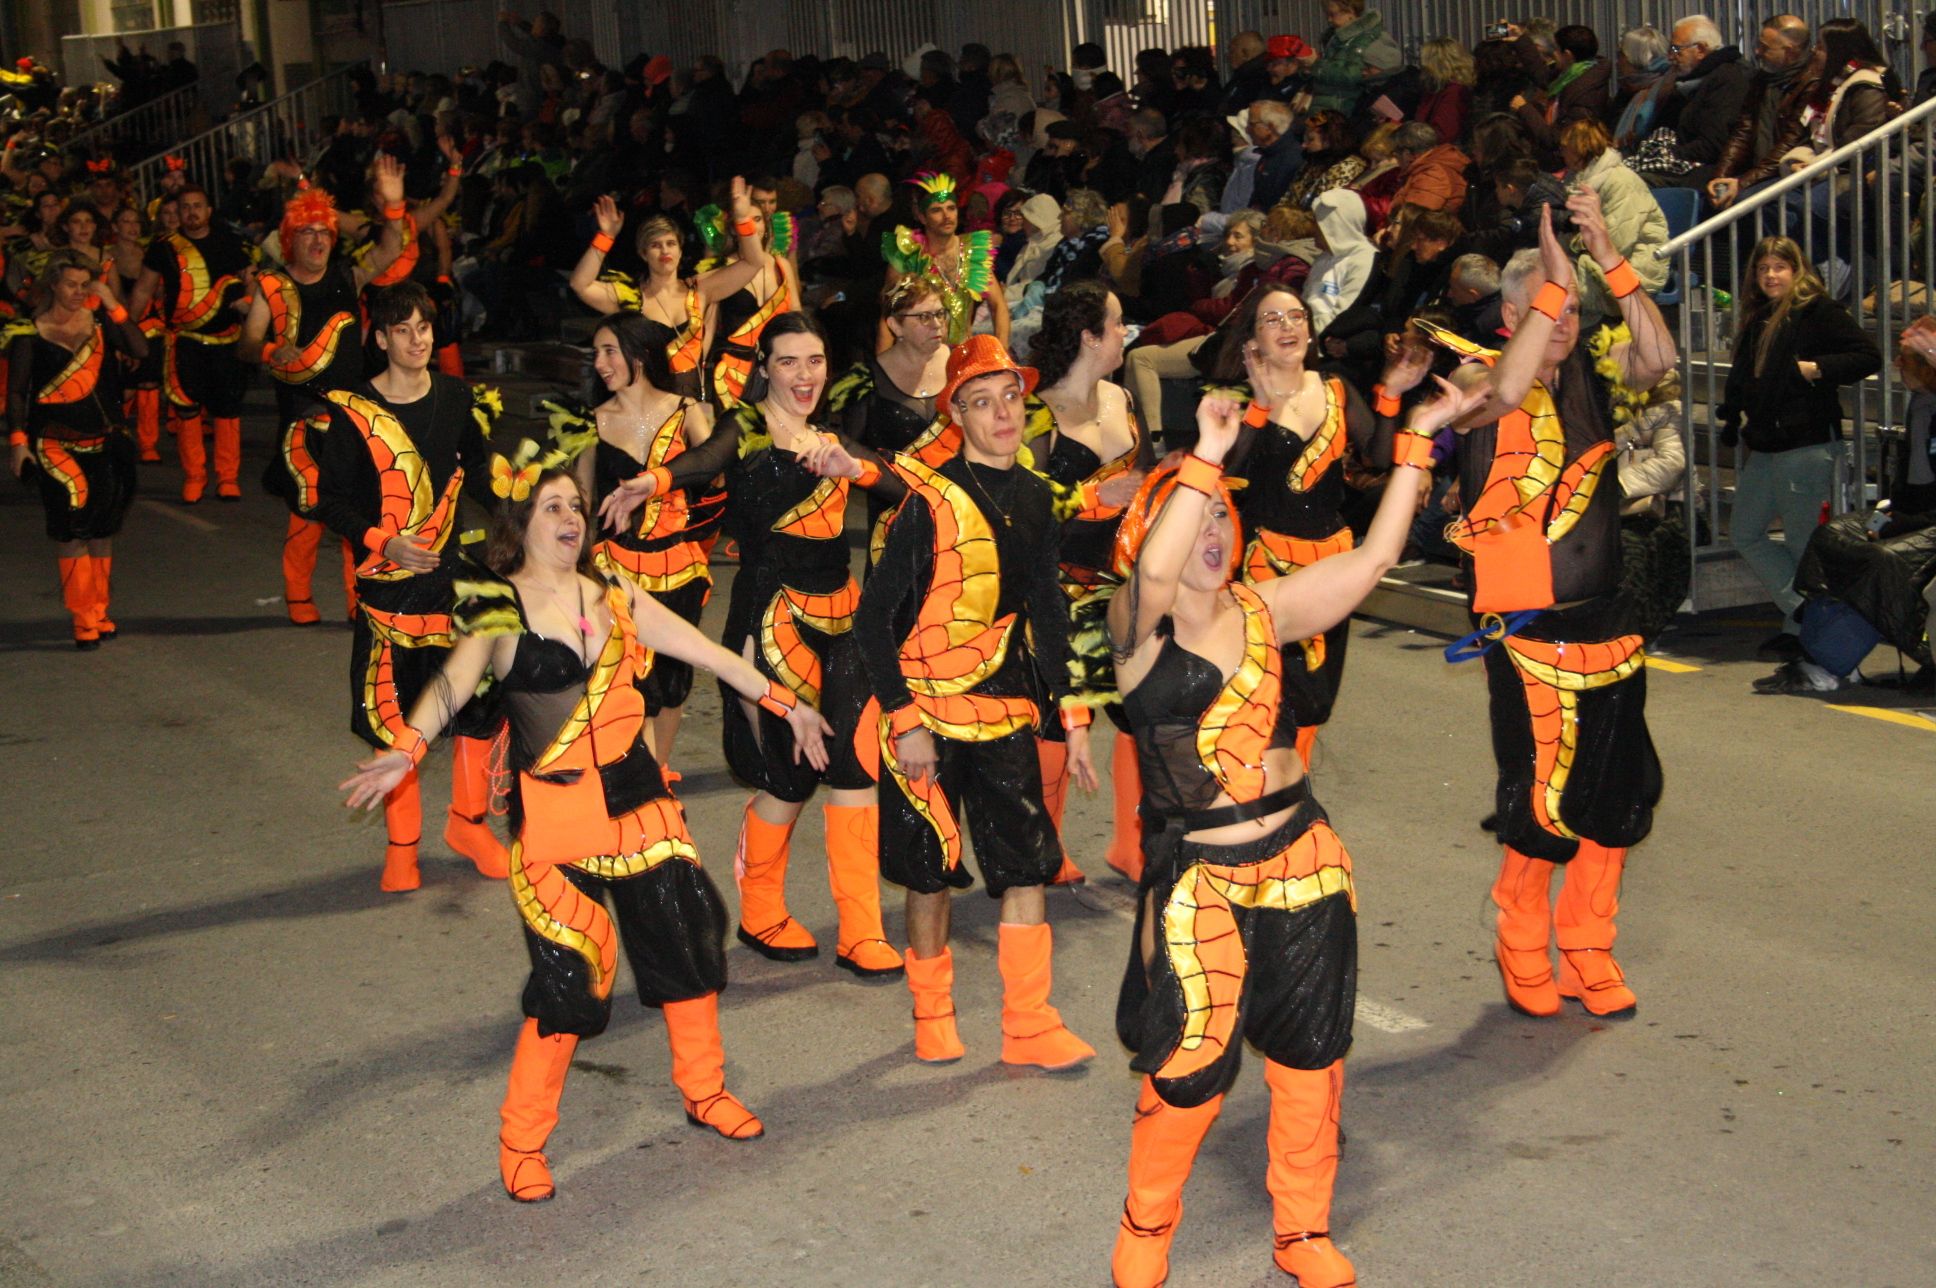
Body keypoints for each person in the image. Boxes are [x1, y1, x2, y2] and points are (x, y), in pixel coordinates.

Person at [339, 467, 825, 1201]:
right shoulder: (497, 607)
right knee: (570, 979)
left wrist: (789, 704)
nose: (570, 516)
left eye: (576, 505)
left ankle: (705, 1090)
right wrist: (404, 753)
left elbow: (710, 653)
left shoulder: (616, 594)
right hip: (556, 815)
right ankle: (522, 1141)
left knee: (686, 936)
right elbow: (452, 682)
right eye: (552, 506)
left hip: (638, 801)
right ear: (520, 523)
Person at [1105, 376, 1479, 1288]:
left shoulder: (1267, 610)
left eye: (1223, 524)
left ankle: (1301, 1231)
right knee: (1191, 1065)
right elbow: (1154, 574)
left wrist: (1417, 438)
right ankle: (1146, 1228)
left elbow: (1380, 552)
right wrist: (1205, 453)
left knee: (1314, 1055)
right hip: (1203, 879)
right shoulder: (1135, 628)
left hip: (1305, 861)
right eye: (1195, 524)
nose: (1213, 537)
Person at [1425, 191, 1676, 1020]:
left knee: (1620, 793)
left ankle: (1589, 945)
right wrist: (1554, 285)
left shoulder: (1593, 377)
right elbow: (1504, 385)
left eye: (1569, 310)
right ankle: (1523, 942)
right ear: (1513, 310)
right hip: (1528, 635)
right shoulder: (1476, 379)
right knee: (1540, 800)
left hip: (1610, 623)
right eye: (1547, 307)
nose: (1563, 321)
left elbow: (1659, 360)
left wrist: (1608, 257)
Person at [599, 312, 908, 980]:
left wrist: (853, 466)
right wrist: (651, 483)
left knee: (857, 767)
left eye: (816, 360)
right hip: (773, 618)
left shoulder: (835, 437)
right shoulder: (744, 429)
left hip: (846, 622)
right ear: (764, 366)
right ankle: (761, 905)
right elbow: (704, 459)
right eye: (790, 361)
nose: (805, 375)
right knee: (791, 773)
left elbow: (903, 488)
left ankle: (861, 928)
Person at [849, 334, 1098, 1068]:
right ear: (957, 414)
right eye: (981, 402)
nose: (1002, 414)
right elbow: (872, 620)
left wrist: (1074, 715)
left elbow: (1049, 610)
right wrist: (903, 719)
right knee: (930, 873)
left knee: (1026, 866)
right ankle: (933, 1012)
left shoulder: (1034, 496)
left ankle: (1029, 1024)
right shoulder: (929, 502)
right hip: (923, 716)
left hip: (1005, 709)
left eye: (1010, 398)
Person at [311, 281, 503, 893]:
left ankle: (469, 826)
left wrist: (520, 507)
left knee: (478, 708)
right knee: (396, 720)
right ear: (381, 338)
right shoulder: (351, 409)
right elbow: (330, 502)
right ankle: (402, 848)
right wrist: (382, 542)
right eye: (403, 330)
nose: (418, 340)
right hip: (388, 593)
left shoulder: (455, 395)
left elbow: (478, 471)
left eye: (424, 328)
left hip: (453, 583)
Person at [239, 157, 410, 627]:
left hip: (351, 417)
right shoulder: (272, 285)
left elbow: (390, 249)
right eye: (308, 231)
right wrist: (272, 350)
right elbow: (248, 344)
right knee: (309, 509)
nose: (317, 239)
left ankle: (360, 599)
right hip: (301, 415)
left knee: (356, 512)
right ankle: (298, 595)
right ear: (290, 238)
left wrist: (393, 203)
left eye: (324, 232)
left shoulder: (345, 277)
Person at [547, 313, 716, 777]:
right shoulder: (591, 422)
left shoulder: (686, 412)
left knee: (674, 680)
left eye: (609, 351)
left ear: (639, 353)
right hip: (616, 570)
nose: (600, 364)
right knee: (629, 678)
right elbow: (580, 502)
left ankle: (659, 771)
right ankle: (638, 775)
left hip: (680, 565)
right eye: (595, 354)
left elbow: (717, 478)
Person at [1025, 281, 1154, 886]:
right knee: (1058, 718)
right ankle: (1045, 847)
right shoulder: (1036, 411)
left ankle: (1131, 843)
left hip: (1125, 584)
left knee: (1135, 711)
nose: (1126, 332)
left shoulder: (1124, 398)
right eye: (1118, 322)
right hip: (1059, 586)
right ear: (1088, 335)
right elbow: (1021, 511)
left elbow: (1148, 481)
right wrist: (1094, 497)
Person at [1719, 236, 1881, 660]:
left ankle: (1803, 629)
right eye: (1763, 268)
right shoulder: (1759, 318)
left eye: (1779, 267)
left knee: (1801, 543)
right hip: (1767, 444)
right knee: (1745, 532)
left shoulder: (1819, 311)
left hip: (1806, 445)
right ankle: (1808, 614)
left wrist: (1818, 369)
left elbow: (1868, 355)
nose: (1770, 275)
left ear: (1797, 270)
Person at [4, 251, 148, 647]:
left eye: (85, 285)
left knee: (103, 528)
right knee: (70, 528)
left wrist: (113, 303)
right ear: (53, 283)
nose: (78, 292)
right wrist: (18, 444)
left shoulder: (100, 321)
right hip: (53, 443)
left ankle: (99, 609)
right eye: (71, 284)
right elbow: (16, 393)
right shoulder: (29, 331)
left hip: (103, 441)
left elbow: (140, 349)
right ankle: (82, 616)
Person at [127, 183, 261, 503]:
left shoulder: (229, 242)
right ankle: (195, 476)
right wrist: (126, 331)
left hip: (226, 340)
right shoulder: (162, 247)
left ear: (209, 210)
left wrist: (249, 305)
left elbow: (252, 280)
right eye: (185, 207)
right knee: (186, 408)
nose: (191, 212)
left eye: (197, 206)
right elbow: (143, 291)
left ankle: (227, 477)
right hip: (185, 340)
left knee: (227, 410)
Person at [568, 194, 763, 401]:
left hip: (691, 406)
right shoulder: (630, 297)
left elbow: (753, 262)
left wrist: (742, 218)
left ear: (680, 250)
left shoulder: (700, 289)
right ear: (644, 254)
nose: (664, 250)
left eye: (671, 243)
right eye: (655, 245)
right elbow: (579, 284)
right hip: (643, 406)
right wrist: (606, 236)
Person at [826, 274, 951, 527]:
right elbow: (841, 447)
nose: (937, 324)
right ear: (895, 326)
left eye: (940, 313)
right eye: (924, 317)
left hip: (958, 514)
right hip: (893, 519)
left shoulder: (963, 366)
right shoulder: (864, 383)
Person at [883, 170, 1008, 347]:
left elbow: (999, 306)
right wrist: (883, 367)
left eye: (951, 208)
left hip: (961, 354)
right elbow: (888, 314)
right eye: (936, 210)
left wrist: (1001, 353)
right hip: (918, 354)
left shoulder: (973, 252)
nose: (947, 216)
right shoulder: (909, 255)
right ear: (921, 217)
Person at [104, 204, 164, 463]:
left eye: (136, 221)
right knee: (124, 388)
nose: (132, 227)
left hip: (150, 325)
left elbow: (160, 292)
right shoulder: (107, 257)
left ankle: (148, 443)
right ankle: (116, 433)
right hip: (119, 324)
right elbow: (114, 298)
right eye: (126, 221)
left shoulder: (150, 254)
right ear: (115, 227)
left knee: (149, 383)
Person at [1305, 0, 1400, 115]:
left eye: (1332, 14)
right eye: (1327, 14)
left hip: (1341, 112)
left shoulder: (1369, 40)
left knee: (1302, 129)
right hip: (1329, 109)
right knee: (1300, 128)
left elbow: (1355, 75)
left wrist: (1316, 64)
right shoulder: (1340, 38)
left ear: (1350, 11)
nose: (1329, 19)